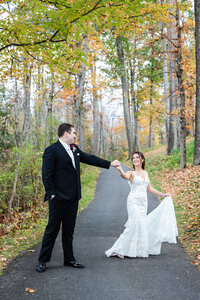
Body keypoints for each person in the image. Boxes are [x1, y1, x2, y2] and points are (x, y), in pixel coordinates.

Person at [36, 123, 120, 272]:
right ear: (66, 133)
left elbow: (89, 158)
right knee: (52, 229)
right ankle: (42, 260)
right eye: (74, 133)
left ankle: (69, 259)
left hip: (73, 198)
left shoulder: (74, 149)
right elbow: (46, 175)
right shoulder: (52, 150)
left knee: (69, 231)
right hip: (58, 198)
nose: (75, 135)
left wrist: (109, 164)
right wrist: (52, 194)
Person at [105, 151, 178, 259]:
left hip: (143, 203)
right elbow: (125, 176)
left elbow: (150, 188)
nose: (135, 159)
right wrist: (119, 168)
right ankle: (120, 248)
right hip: (133, 201)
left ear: (142, 160)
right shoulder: (131, 172)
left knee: (140, 225)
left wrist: (163, 195)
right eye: (133, 158)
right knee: (134, 224)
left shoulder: (145, 173)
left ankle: (137, 249)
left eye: (137, 157)